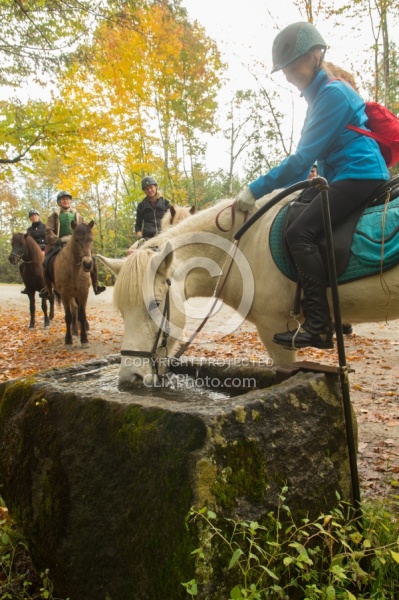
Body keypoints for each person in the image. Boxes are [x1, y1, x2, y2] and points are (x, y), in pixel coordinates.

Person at [236, 21, 389, 350]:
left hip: (359, 173)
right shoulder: (319, 96)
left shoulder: (332, 94)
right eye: (286, 70)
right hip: (343, 174)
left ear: (316, 55)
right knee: (299, 211)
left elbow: (301, 160)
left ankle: (320, 325)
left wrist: (255, 190)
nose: (290, 75)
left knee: (298, 233)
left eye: (295, 65)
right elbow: (314, 160)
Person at [39, 191, 106, 298]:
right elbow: (48, 230)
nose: (66, 201)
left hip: (77, 243)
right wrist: (56, 240)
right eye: (63, 199)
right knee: (46, 261)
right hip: (59, 242)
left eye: (68, 199)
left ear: (70, 201)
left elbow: (84, 230)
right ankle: (47, 289)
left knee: (92, 259)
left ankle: (96, 284)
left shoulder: (78, 216)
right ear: (59, 202)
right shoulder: (53, 216)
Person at [20, 209, 47, 293]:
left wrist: (45, 251)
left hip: (45, 249)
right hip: (34, 253)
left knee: (51, 263)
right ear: (30, 218)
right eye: (32, 216)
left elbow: (49, 240)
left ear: (38, 216)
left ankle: (52, 283)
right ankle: (27, 286)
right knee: (21, 266)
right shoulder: (28, 230)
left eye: (35, 215)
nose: (33, 217)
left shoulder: (46, 227)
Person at [135, 177, 170, 241]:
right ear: (145, 191)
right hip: (147, 238)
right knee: (131, 251)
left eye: (151, 187)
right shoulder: (141, 206)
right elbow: (138, 225)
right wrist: (140, 238)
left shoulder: (165, 203)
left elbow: (171, 220)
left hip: (164, 237)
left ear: (156, 187)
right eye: (147, 189)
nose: (150, 190)